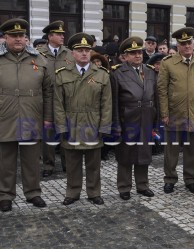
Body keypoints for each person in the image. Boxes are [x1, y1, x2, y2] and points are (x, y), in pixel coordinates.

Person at [0, 18, 53, 212]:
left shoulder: (39, 59)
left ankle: (33, 193)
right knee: (6, 160)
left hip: (31, 115)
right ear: (5, 37)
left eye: (21, 36)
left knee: (32, 159)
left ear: (26, 38)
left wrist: (47, 117)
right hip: (4, 116)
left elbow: (48, 91)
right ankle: (5, 195)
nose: (18, 39)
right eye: (13, 36)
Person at [54, 32, 112, 206]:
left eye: (87, 50)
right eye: (80, 50)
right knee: (72, 163)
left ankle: (94, 192)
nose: (84, 53)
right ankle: (73, 192)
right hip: (71, 124)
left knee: (94, 163)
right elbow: (58, 104)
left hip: (93, 124)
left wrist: (104, 127)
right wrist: (61, 127)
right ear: (73, 53)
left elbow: (107, 104)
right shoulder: (62, 75)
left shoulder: (102, 74)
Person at [157, 27, 194, 194]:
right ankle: (170, 179)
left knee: (192, 149)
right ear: (178, 45)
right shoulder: (168, 63)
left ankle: (190, 179)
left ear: (193, 44)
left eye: (189, 42)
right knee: (171, 149)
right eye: (183, 43)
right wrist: (164, 113)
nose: (187, 46)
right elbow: (162, 89)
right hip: (175, 112)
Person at [110, 36, 158, 201]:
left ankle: (142, 185)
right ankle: (124, 187)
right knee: (125, 154)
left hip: (146, 118)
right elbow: (114, 102)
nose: (138, 56)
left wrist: (155, 122)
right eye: (133, 53)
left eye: (139, 52)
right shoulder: (117, 72)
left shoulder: (151, 71)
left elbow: (156, 98)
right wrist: (116, 124)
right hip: (127, 119)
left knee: (144, 153)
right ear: (125, 56)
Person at [39, 20, 75, 177]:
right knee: (48, 133)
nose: (62, 36)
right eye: (59, 34)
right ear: (50, 36)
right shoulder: (38, 53)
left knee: (66, 132)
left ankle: (68, 164)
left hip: (66, 99)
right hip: (47, 99)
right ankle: (49, 164)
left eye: (62, 34)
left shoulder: (69, 53)